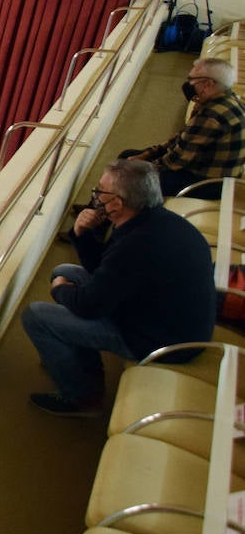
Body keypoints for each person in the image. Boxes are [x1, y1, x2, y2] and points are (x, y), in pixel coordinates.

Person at [20, 160, 215, 416]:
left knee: (36, 315)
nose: (95, 196)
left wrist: (59, 290)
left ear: (117, 203)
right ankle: (73, 359)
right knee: (64, 271)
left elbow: (89, 306)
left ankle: (81, 397)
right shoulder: (154, 221)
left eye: (100, 191)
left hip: (159, 340)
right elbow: (105, 267)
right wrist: (82, 234)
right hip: (161, 316)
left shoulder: (138, 245)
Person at [120, 57, 245, 199]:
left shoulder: (211, 115)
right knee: (127, 156)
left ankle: (101, 216)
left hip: (208, 183)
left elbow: (175, 161)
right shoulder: (228, 98)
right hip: (211, 171)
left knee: (127, 177)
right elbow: (181, 138)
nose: (188, 84)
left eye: (192, 79)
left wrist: (138, 168)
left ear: (208, 84)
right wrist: (146, 154)